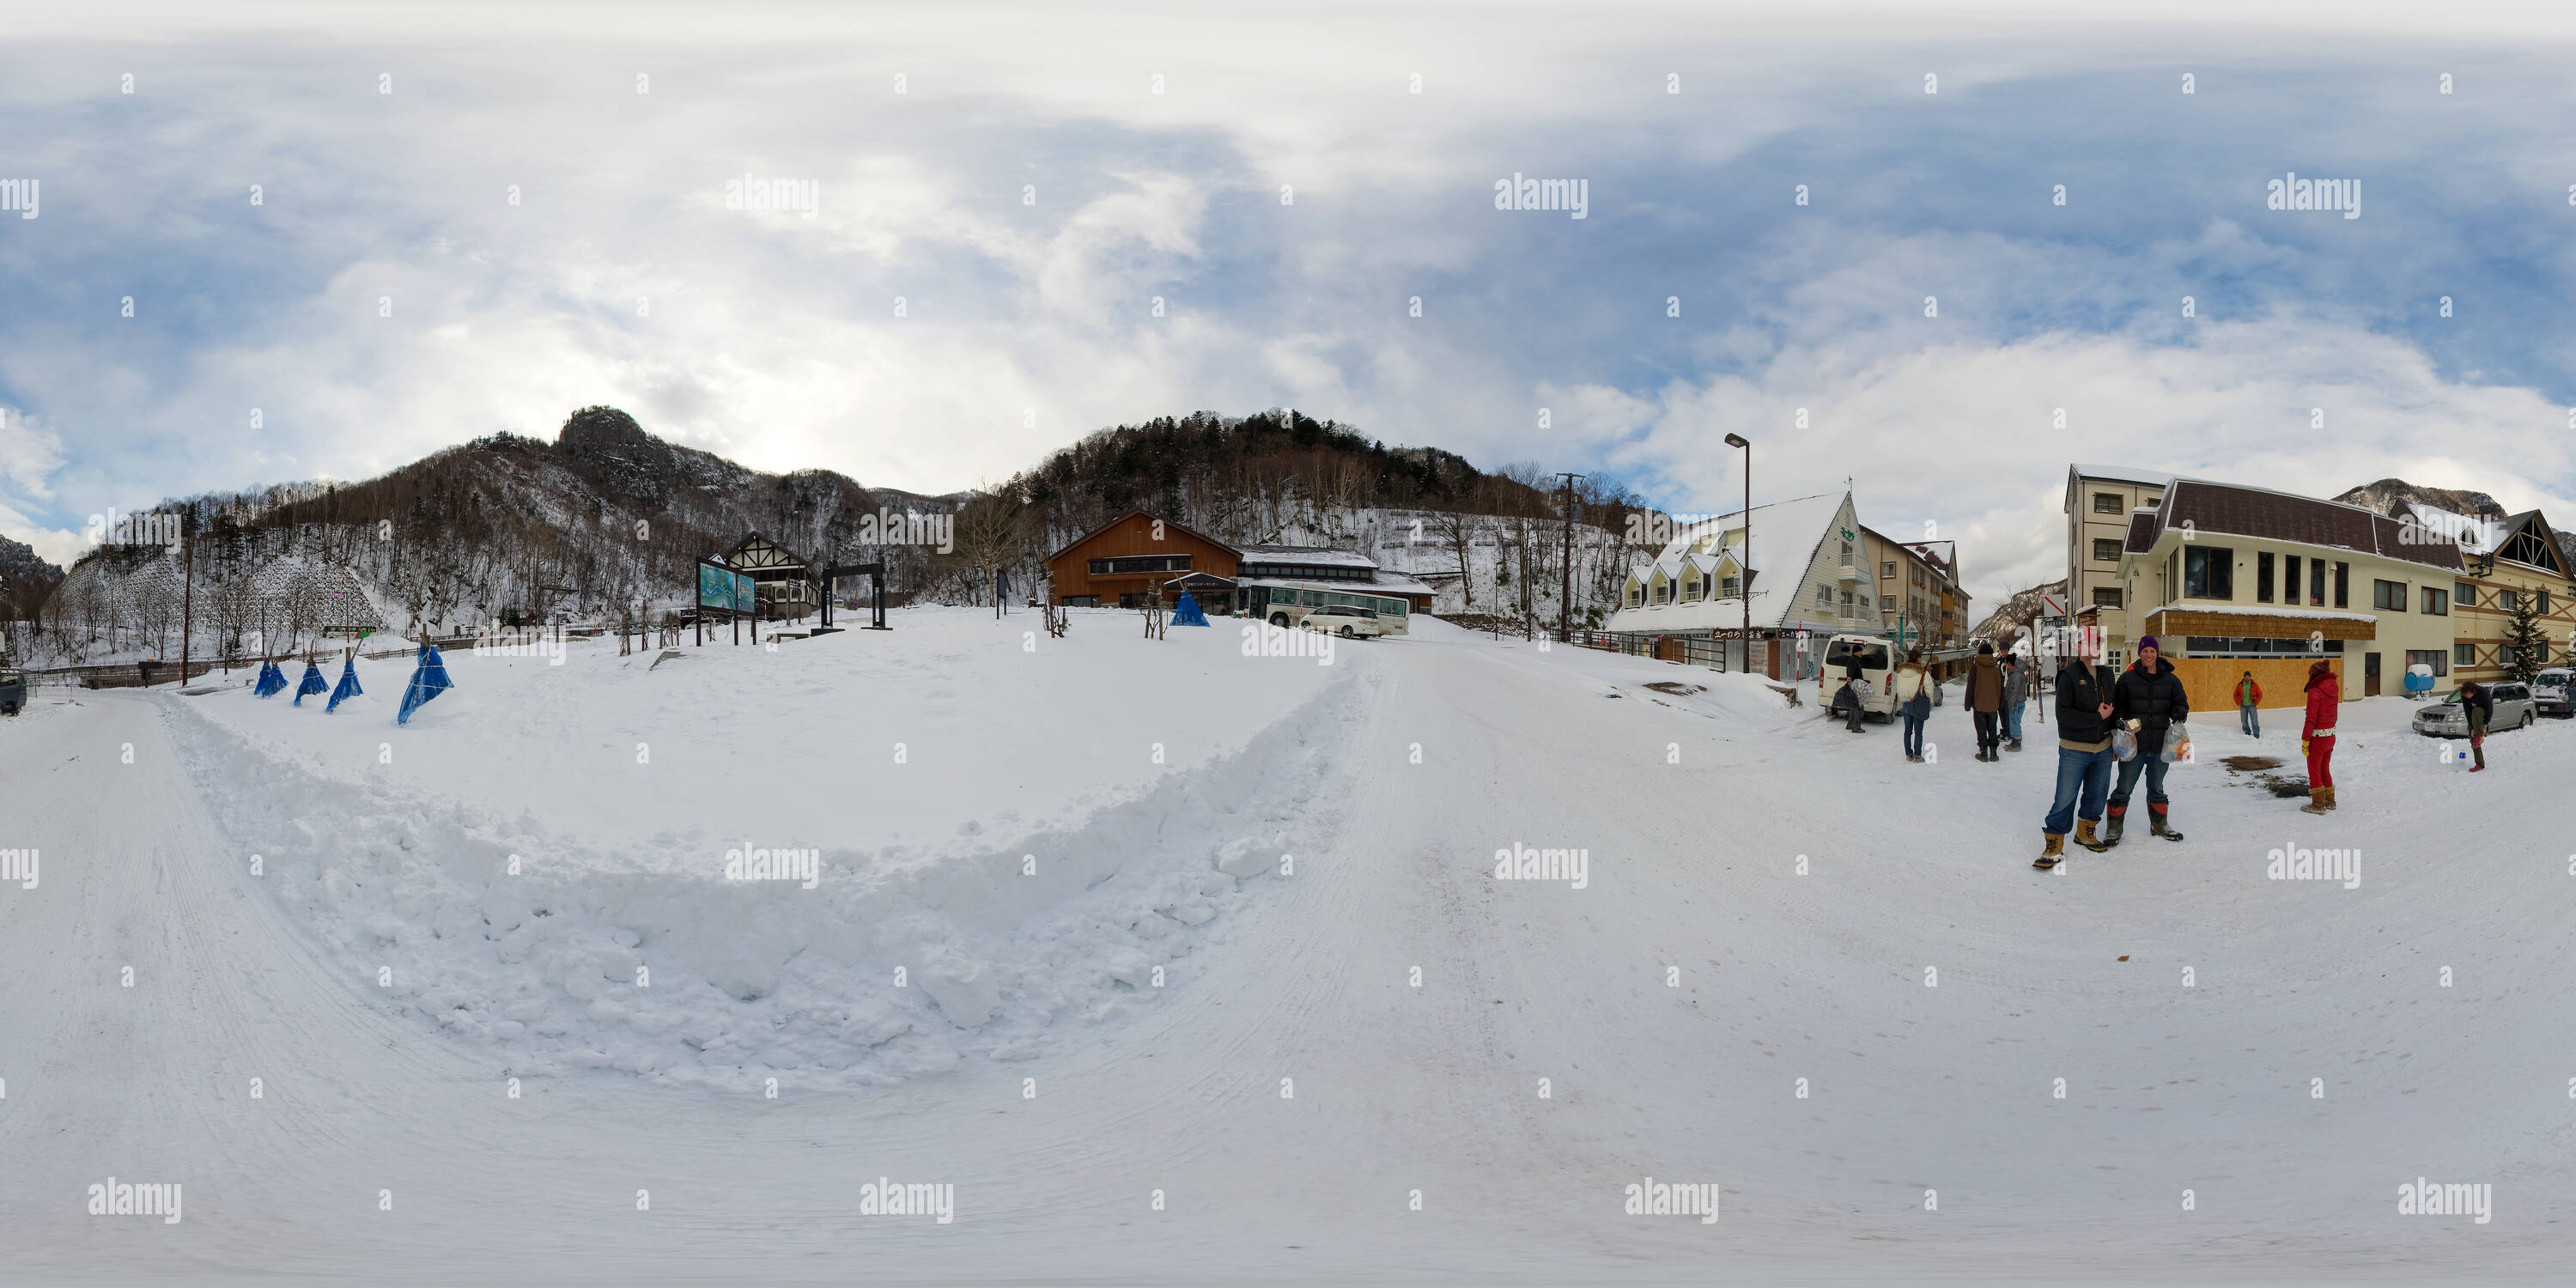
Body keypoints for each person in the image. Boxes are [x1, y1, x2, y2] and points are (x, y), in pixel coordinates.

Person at [2038, 638, 2118, 866]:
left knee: (2097, 795)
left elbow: (2113, 707)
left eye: (2097, 645)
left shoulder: (2106, 674)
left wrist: (2117, 737)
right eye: (2088, 645)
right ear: (2079, 648)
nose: (2093, 649)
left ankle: (2085, 833)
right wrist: (2096, 718)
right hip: (2074, 749)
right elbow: (2064, 716)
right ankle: (2053, 844)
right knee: (2065, 798)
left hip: (2103, 748)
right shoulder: (2069, 675)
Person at [2105, 635, 2190, 843]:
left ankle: (2159, 824)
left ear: (2157, 653)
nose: (2149, 655)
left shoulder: (2171, 680)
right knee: (2124, 787)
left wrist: (2179, 713)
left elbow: (2181, 703)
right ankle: (2114, 829)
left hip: (2161, 746)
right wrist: (2129, 724)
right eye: (2145, 651)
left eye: (2152, 651)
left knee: (2157, 788)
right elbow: (2118, 712)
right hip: (2134, 747)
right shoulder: (2127, 679)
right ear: (2139, 653)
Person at [2300, 659, 2340, 812]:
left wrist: (2305, 739)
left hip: (2317, 737)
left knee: (2314, 769)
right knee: (2324, 767)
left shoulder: (2315, 690)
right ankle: (2330, 801)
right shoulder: (2333, 687)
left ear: (2314, 674)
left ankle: (2317, 805)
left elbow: (2311, 719)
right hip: (2330, 735)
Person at [1965, 642, 2005, 761]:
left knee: (1981, 728)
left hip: (1979, 704)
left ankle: (1983, 753)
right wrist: (2000, 703)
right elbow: (2001, 687)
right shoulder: (1996, 667)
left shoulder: (1976, 667)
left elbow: (1971, 686)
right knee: (1992, 728)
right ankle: (1993, 753)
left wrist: (1968, 704)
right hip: (1993, 705)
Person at [1893, 647, 1934, 762]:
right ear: (1918, 658)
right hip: (1918, 703)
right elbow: (1929, 688)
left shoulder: (1901, 671)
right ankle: (1917, 755)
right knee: (1918, 732)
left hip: (1905, 702)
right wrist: (1928, 700)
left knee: (1908, 730)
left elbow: (1899, 686)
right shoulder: (1923, 672)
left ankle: (1908, 754)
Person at [2460, 679, 2492, 773]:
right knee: (2473, 739)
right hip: (2473, 718)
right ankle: (2479, 764)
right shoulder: (2464, 695)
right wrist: (2472, 728)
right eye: (2464, 695)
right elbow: (2467, 712)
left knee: (2476, 710)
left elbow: (2490, 710)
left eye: (2467, 695)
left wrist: (2485, 727)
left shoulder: (2483, 693)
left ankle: (2479, 735)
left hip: (2483, 714)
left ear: (2473, 692)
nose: (2466, 697)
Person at [2002, 652, 2029, 752]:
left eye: (2006, 663)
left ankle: (2017, 742)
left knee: (2015, 721)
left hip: (2016, 702)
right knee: (2014, 721)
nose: (2005, 665)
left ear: (2010, 663)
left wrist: (2012, 704)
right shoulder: (2014, 673)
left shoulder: (2016, 675)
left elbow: (2015, 691)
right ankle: (2014, 740)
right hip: (2016, 702)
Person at [2234, 671, 2263, 738]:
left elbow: (2260, 694)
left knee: (2254, 720)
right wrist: (2238, 701)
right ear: (2244, 677)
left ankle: (2256, 733)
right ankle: (2247, 731)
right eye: (2246, 676)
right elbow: (2235, 695)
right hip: (2243, 705)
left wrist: (2255, 702)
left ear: (2250, 677)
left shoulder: (2254, 685)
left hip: (2251, 705)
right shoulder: (2240, 685)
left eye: (2248, 676)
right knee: (2244, 720)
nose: (2247, 677)